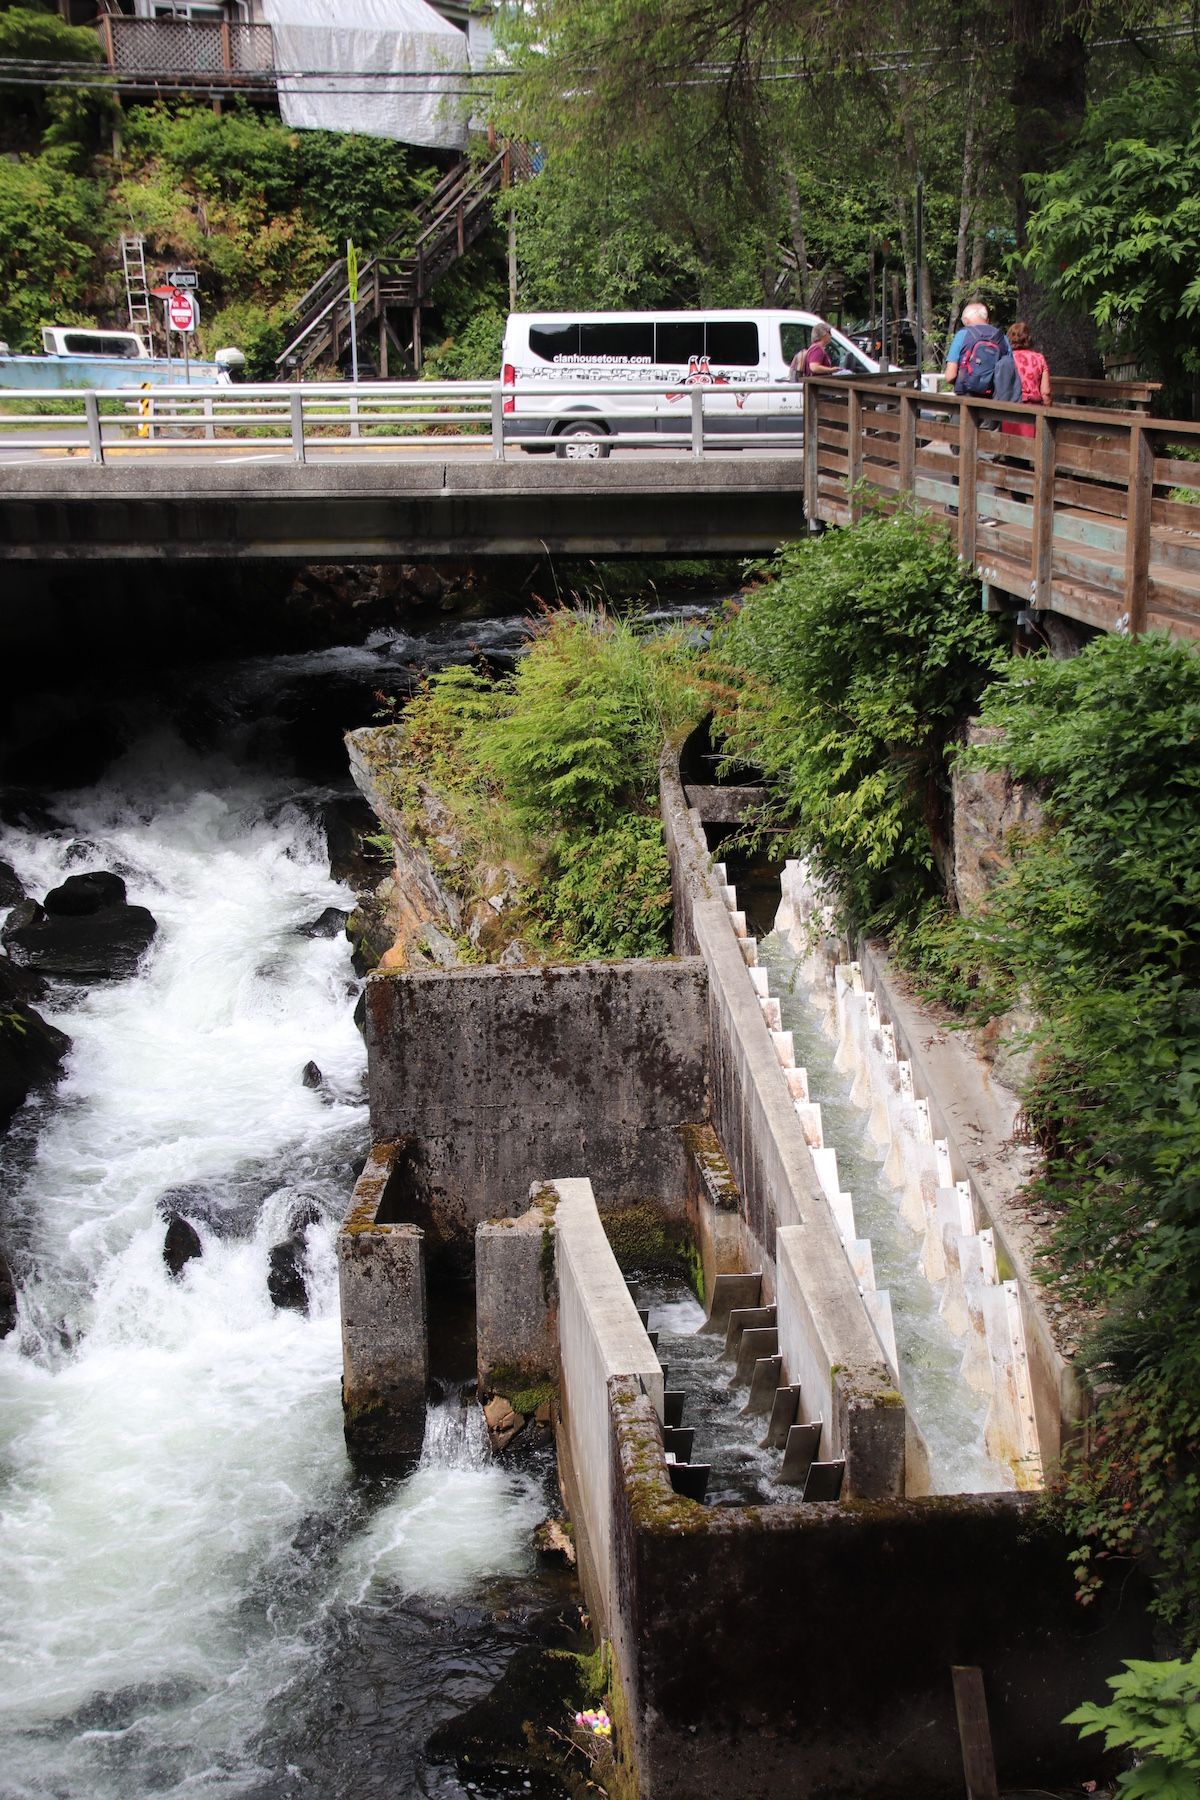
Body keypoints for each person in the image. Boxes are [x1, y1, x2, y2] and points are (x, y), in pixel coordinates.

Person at [942, 302, 1011, 397]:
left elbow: (950, 376)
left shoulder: (962, 335)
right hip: (994, 398)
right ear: (987, 319)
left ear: (966, 320)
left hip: (966, 397)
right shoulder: (1002, 338)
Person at [999, 320, 1052, 438]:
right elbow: (1046, 392)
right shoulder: (1039, 358)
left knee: (1009, 444)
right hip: (1033, 411)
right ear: (1028, 338)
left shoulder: (1006, 359)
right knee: (1033, 446)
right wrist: (1048, 413)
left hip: (1010, 408)